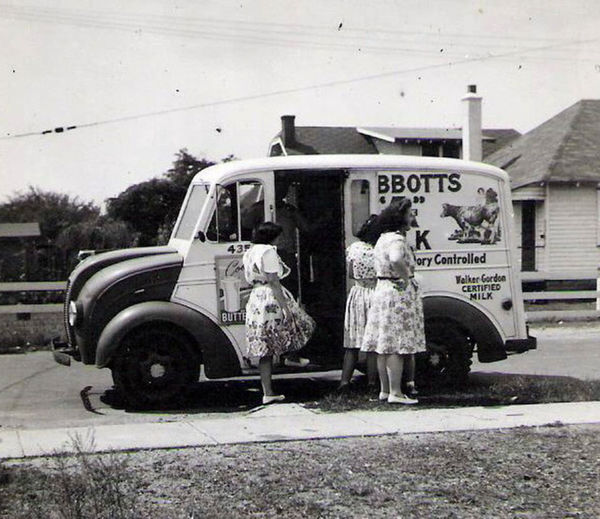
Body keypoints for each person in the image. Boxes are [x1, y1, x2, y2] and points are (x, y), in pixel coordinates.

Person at [243, 221, 316, 404]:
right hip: (270, 296)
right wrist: (285, 307)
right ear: (272, 237)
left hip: (256, 296)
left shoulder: (250, 251)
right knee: (300, 323)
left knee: (265, 347)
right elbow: (274, 281)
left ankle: (268, 391)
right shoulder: (268, 252)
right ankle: (291, 356)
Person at [361, 199, 426, 404]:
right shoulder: (397, 240)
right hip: (396, 291)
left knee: (384, 343)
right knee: (397, 343)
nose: (412, 217)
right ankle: (396, 393)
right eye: (410, 214)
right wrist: (408, 278)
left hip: (382, 289)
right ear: (401, 217)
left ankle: (385, 389)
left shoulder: (382, 238)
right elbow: (396, 259)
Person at [338, 214, 379, 391]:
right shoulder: (378, 250)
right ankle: (372, 382)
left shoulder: (354, 248)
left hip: (357, 294)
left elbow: (350, 274)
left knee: (352, 343)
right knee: (372, 343)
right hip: (374, 293)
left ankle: (344, 382)